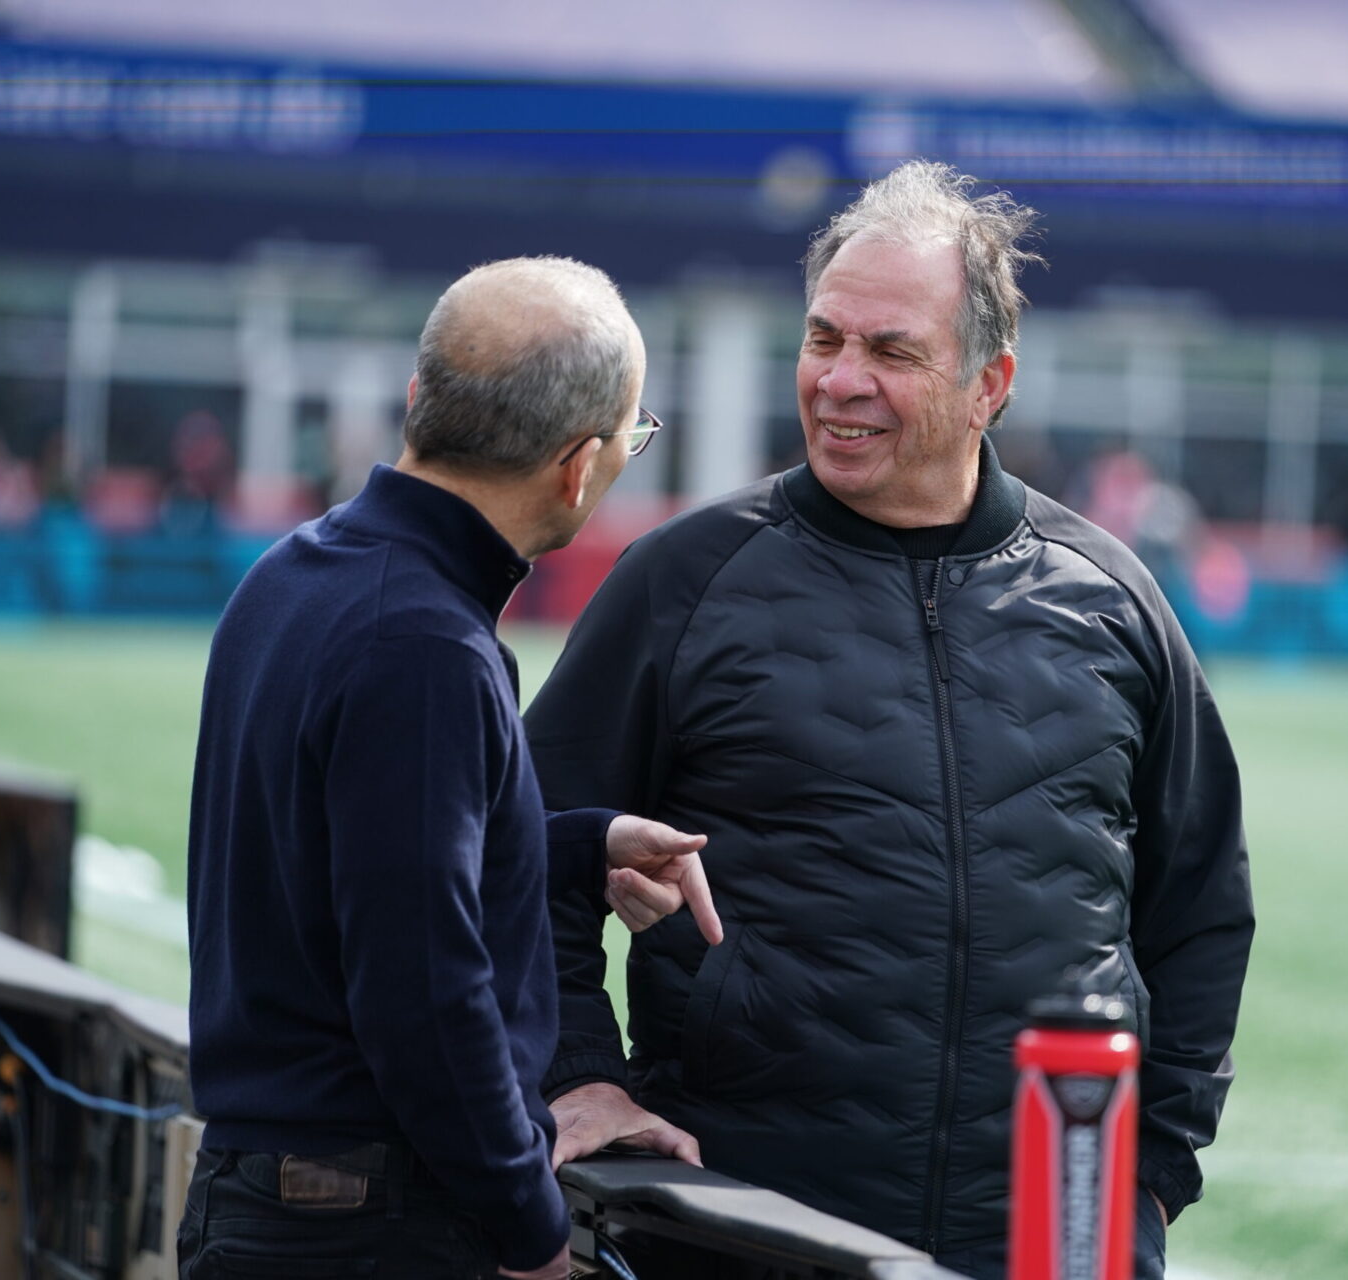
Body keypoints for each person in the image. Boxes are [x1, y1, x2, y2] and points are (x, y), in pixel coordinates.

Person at [528, 162, 1254, 1280]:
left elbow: (1200, 901)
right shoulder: (685, 579)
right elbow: (524, 847)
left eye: (892, 351)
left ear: (989, 381)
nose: (840, 380)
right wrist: (582, 1072)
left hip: (1055, 1231)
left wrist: (1153, 1159)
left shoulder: (1112, 595)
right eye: (825, 339)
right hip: (746, 1220)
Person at [179, 257, 722, 1280]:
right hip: (367, 1225)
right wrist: (528, 1226)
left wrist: (575, 845)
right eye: (631, 438)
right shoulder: (422, 643)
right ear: (578, 466)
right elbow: (422, 989)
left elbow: (348, 856)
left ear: (419, 399)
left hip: (289, 1204)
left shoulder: (297, 572)